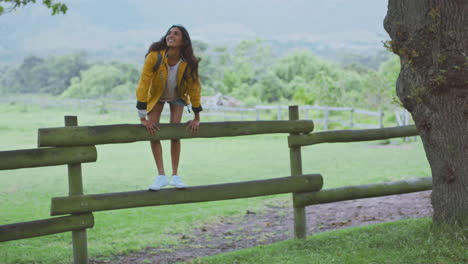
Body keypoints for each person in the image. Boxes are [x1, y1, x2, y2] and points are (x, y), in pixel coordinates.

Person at [136, 25, 203, 191]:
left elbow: (194, 89)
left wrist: (196, 117)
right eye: (169, 33)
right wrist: (142, 117)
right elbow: (143, 84)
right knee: (153, 131)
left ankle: (175, 176)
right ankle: (161, 176)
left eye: (175, 33)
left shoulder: (189, 62)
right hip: (156, 96)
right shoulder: (154, 56)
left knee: (175, 133)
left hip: (177, 96)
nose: (170, 35)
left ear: (183, 40)